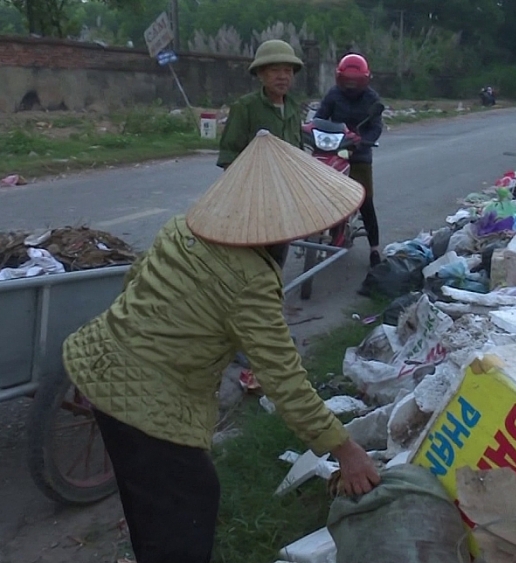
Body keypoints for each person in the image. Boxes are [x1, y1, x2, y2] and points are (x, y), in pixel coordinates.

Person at [63, 131, 381, 563]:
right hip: (145, 404)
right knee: (186, 510)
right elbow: (284, 381)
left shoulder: (183, 225)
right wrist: (347, 452)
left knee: (148, 500)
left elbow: (135, 282)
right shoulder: (251, 280)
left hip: (97, 362)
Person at [314, 53, 385, 267]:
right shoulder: (334, 95)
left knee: (365, 199)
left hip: (359, 155)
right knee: (318, 190)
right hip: (333, 151)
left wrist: (365, 141)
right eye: (347, 81)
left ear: (364, 80)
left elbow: (376, 126)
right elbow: (320, 117)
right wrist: (312, 131)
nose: (351, 86)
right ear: (340, 79)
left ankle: (374, 249)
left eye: (356, 82)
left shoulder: (372, 99)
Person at [217, 40, 304, 169]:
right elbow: (230, 155)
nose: (282, 77)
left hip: (288, 183)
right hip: (256, 183)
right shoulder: (245, 107)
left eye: (288, 71)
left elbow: (299, 152)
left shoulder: (293, 107)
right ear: (260, 74)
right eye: (275, 71)